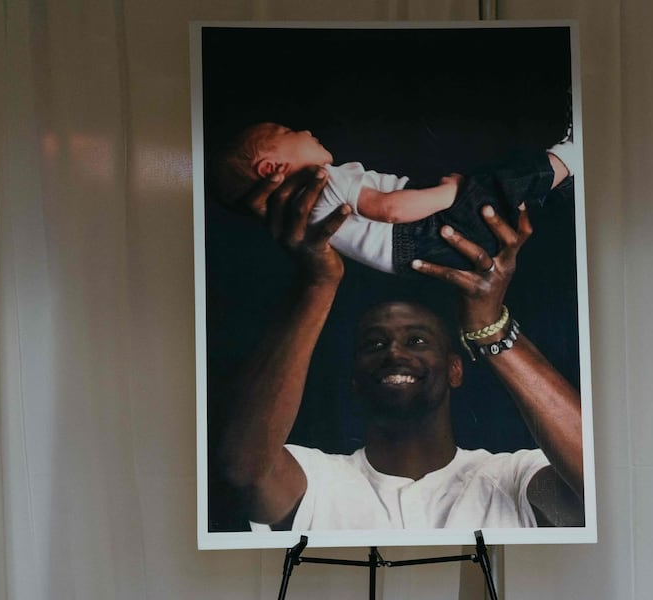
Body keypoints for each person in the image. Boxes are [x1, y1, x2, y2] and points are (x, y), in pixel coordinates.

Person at [217, 167, 585, 531]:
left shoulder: (514, 479)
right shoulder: (317, 480)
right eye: (374, 343)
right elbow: (245, 472)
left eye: (417, 340)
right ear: (354, 379)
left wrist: (489, 327)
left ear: (455, 369)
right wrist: (320, 282)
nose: (394, 353)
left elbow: (598, 486)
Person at [213, 122, 577, 276]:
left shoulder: (301, 212)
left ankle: (560, 176)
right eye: (290, 132)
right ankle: (568, 158)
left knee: (502, 196)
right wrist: (452, 192)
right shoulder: (325, 180)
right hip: (419, 231)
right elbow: (390, 210)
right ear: (270, 167)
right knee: (493, 185)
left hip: (413, 256)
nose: (306, 131)